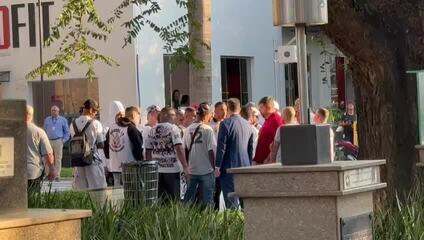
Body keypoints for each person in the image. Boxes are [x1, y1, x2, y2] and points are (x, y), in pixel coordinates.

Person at [145, 107, 191, 201]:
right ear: (168, 116)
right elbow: (179, 147)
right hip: (172, 170)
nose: (176, 118)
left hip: (158, 170)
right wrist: (185, 167)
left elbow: (148, 150)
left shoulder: (152, 130)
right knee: (174, 201)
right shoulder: (173, 128)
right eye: (174, 115)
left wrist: (150, 168)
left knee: (161, 200)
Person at [215, 98, 254, 209]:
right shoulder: (248, 125)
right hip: (245, 166)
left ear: (227, 108)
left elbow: (221, 147)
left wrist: (217, 165)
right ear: (239, 108)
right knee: (244, 202)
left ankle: (234, 224)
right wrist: (249, 165)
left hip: (228, 168)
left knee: (231, 202)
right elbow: (250, 149)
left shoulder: (225, 124)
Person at [183, 103, 216, 206]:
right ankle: (208, 220)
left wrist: (187, 167)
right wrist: (214, 168)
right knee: (207, 201)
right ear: (206, 115)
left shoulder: (187, 129)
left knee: (189, 200)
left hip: (192, 170)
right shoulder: (208, 129)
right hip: (206, 170)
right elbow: (211, 151)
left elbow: (185, 150)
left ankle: (185, 219)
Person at [70, 99, 107, 190]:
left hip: (77, 161)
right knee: (98, 189)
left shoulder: (72, 124)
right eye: (95, 111)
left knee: (81, 190)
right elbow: (100, 144)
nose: (96, 113)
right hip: (92, 160)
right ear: (90, 110)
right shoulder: (96, 123)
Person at [105, 106, 143, 186]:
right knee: (131, 191)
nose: (139, 120)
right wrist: (140, 160)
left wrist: (111, 157)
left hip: (115, 167)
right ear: (133, 115)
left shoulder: (111, 127)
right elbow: (138, 149)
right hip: (130, 166)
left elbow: (106, 147)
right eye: (138, 117)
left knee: (118, 192)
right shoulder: (132, 128)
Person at [26, 105, 55, 192]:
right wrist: (52, 169)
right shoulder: (39, 132)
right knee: (33, 201)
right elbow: (48, 154)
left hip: (13, 173)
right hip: (33, 172)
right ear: (31, 115)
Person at [253, 96, 284, 165]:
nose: (259, 110)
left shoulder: (276, 120)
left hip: (268, 162)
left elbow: (276, 143)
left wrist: (269, 158)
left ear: (267, 106)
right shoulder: (268, 119)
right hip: (261, 161)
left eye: (261, 107)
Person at [43, 105, 70, 181]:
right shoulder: (47, 120)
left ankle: (57, 175)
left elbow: (67, 132)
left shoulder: (63, 120)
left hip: (58, 141)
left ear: (58, 112)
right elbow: (44, 131)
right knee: (47, 158)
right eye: (52, 110)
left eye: (55, 110)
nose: (53, 112)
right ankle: (48, 174)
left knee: (58, 159)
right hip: (48, 141)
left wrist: (63, 140)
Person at [103, 101, 125, 186]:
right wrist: (107, 165)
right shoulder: (106, 128)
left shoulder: (106, 127)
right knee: (117, 184)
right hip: (113, 163)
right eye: (120, 114)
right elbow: (105, 149)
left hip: (120, 163)